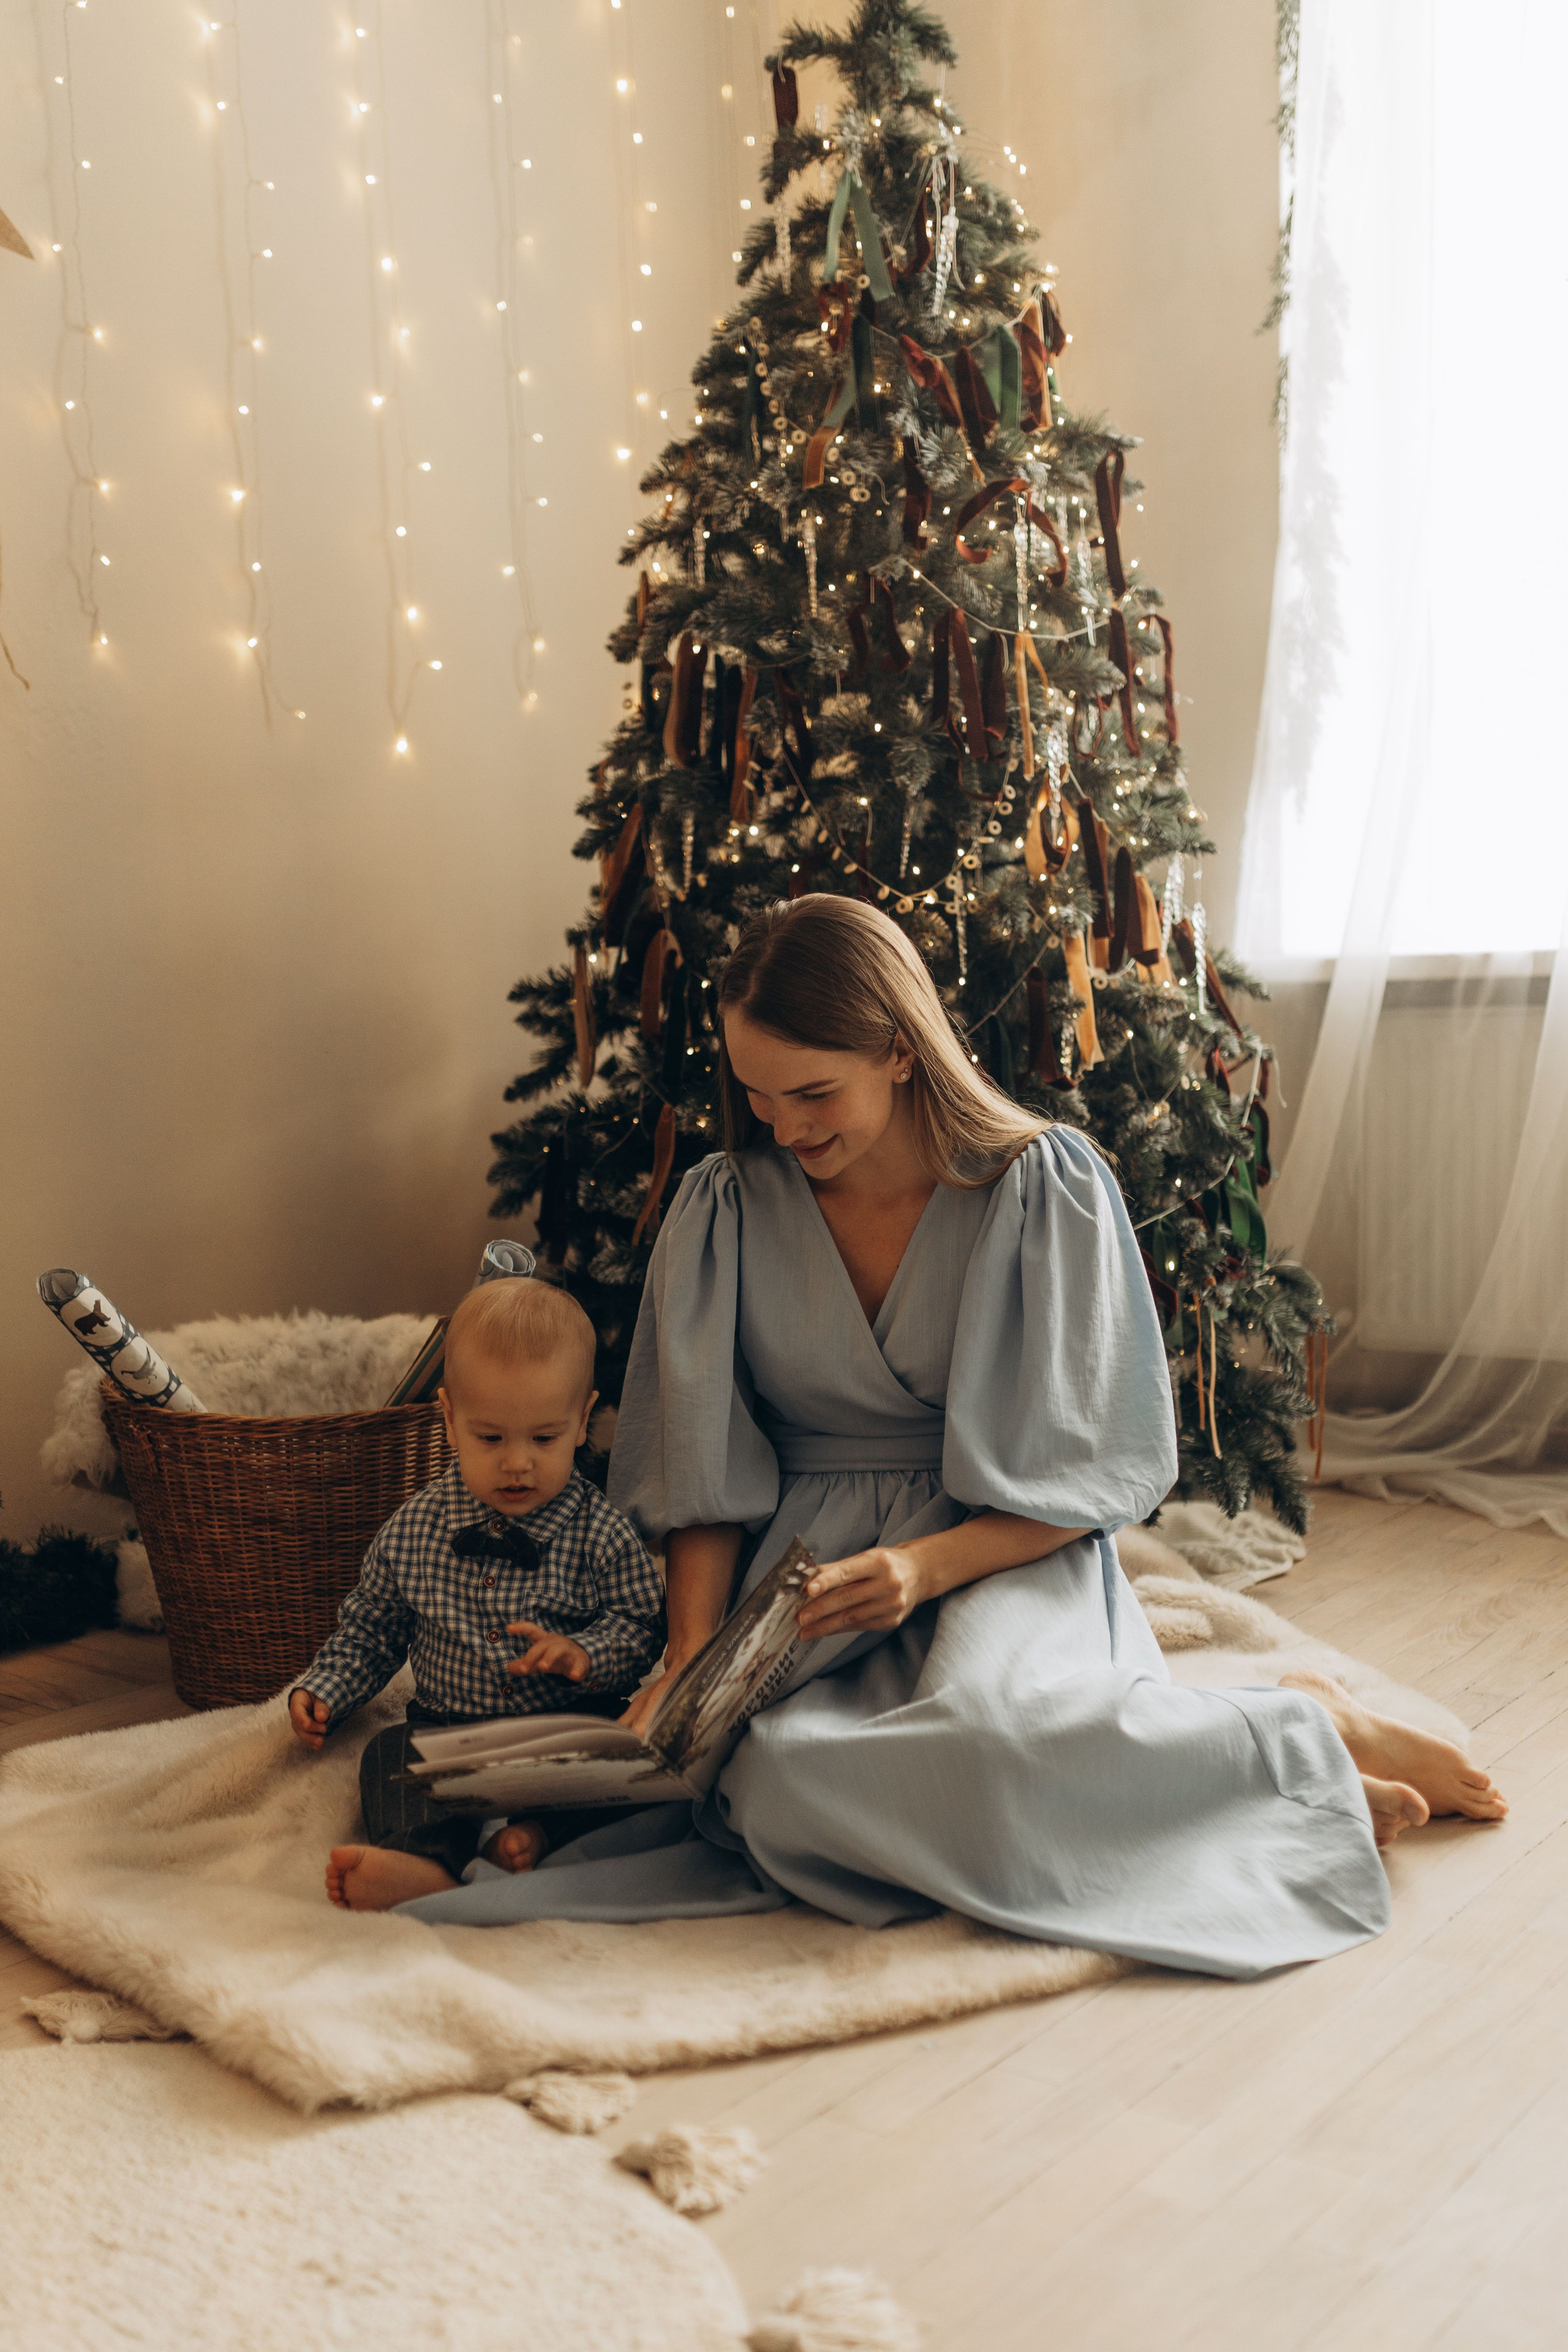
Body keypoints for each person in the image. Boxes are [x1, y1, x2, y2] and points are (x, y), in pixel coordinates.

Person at [374, 896, 1505, 1975]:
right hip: (803, 1573)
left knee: (993, 1744)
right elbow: (700, 1473)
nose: (784, 1125)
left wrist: (919, 1569)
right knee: (773, 1787)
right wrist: (691, 1657)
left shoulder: (1042, 1186)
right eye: (760, 1095)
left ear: (902, 1051)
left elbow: (1079, 1475)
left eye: (813, 1092)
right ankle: (1214, 1753)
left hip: (1001, 1544)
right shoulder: (722, 1204)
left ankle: (1283, 1738)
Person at [287, 1279, 665, 1912]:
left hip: (561, 1732)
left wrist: (585, 1653)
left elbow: (640, 1622)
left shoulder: (600, 1530)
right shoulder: (416, 1527)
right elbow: (371, 1627)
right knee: (387, 1757)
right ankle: (423, 1860)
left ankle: (538, 1838)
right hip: (450, 1735)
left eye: (544, 1438)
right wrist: (326, 1687)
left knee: (632, 1759)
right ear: (450, 1419)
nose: (517, 1462)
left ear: (582, 1421)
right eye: (491, 1438)